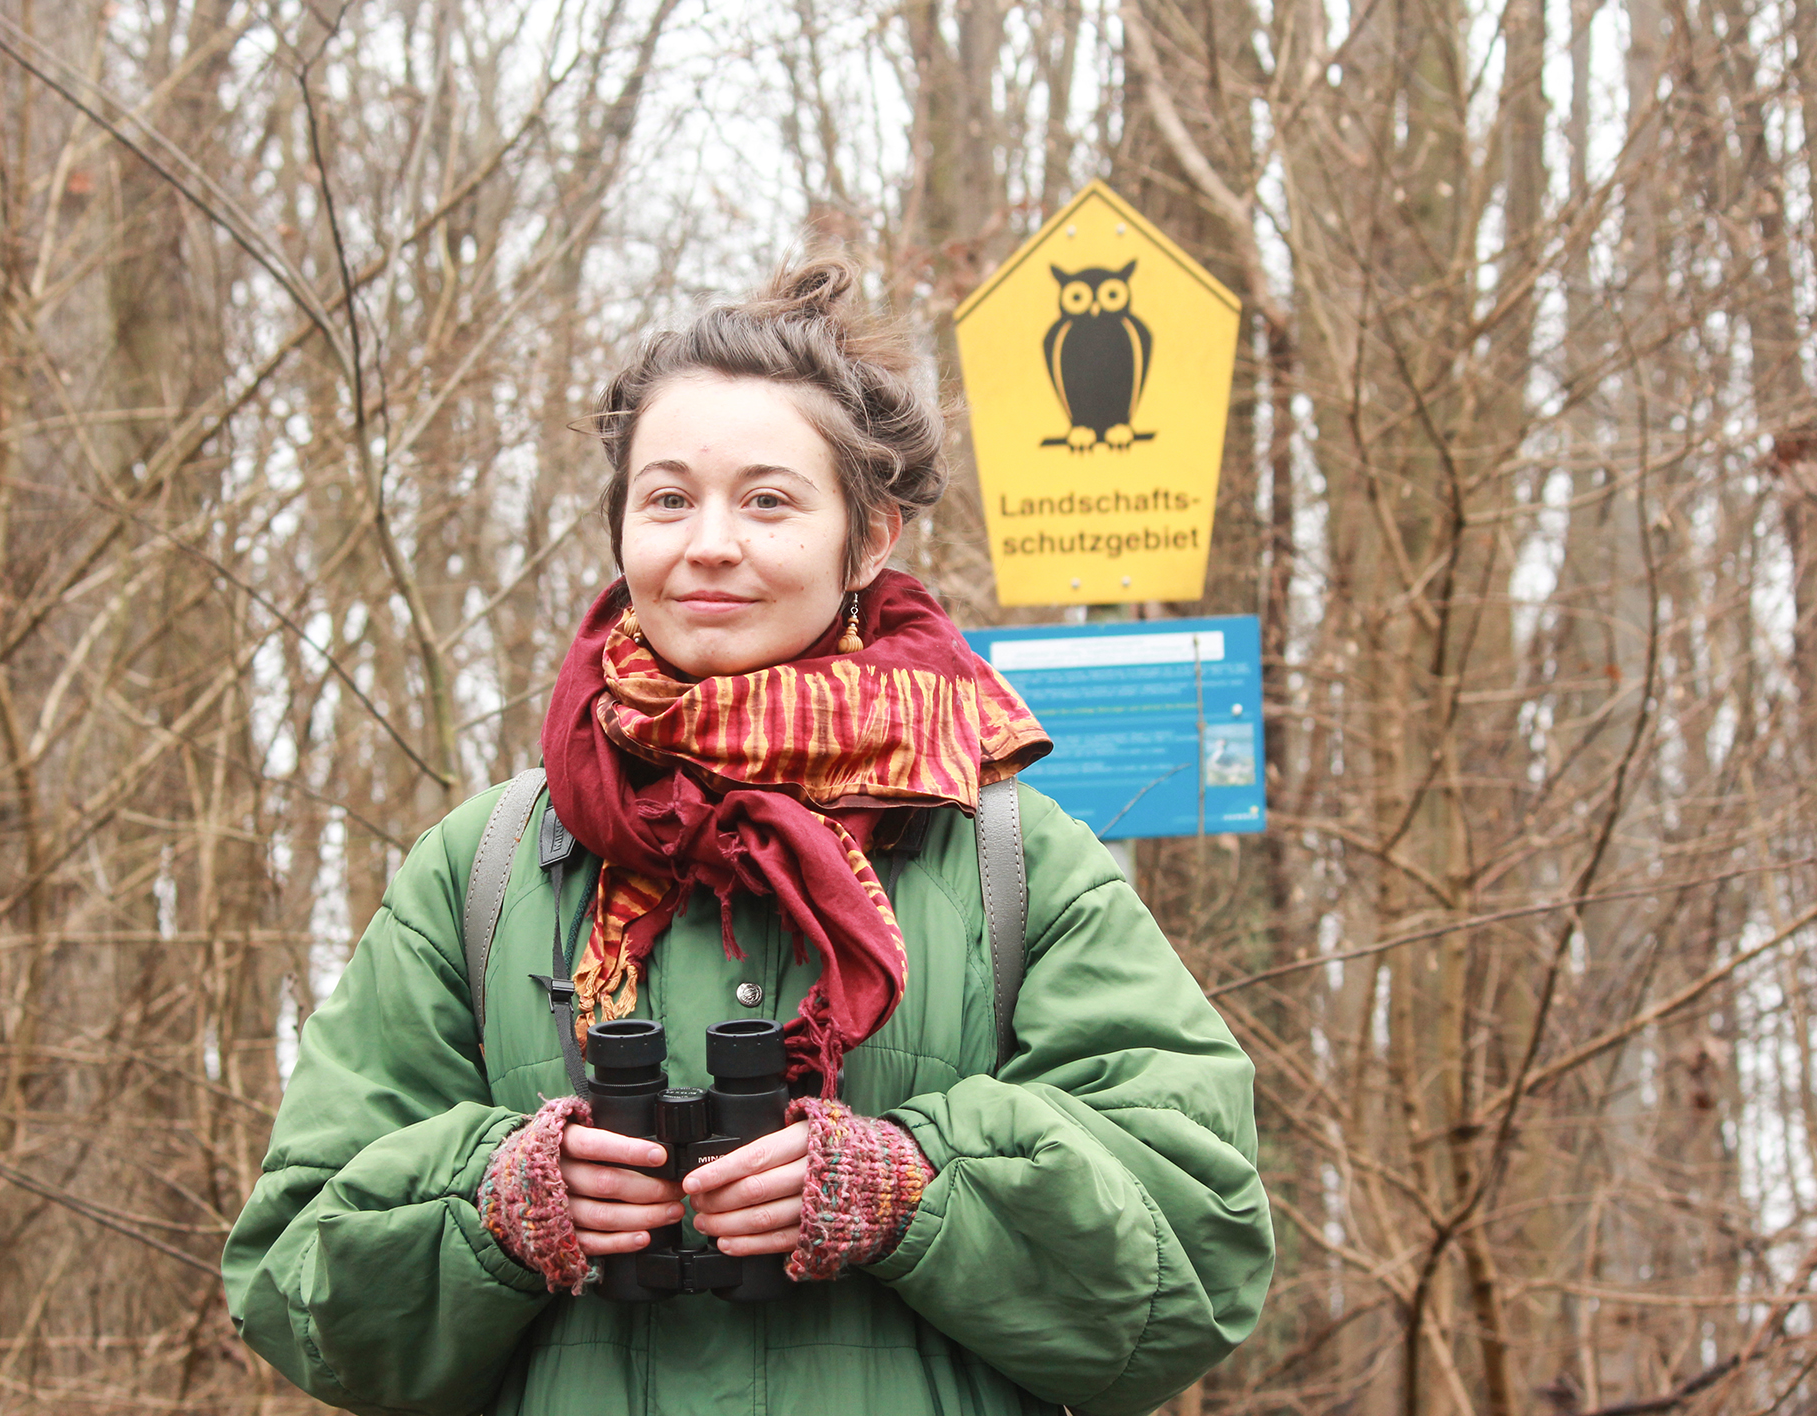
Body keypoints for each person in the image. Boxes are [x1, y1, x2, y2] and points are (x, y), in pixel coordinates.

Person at [222, 258, 1273, 1416]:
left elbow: (1198, 1255)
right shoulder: (488, 865)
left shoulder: (1004, 859)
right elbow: (292, 1284)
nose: (709, 543)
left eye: (767, 501)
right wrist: (491, 1204)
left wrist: (917, 1186)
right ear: (621, 532)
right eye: (666, 499)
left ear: (867, 540)